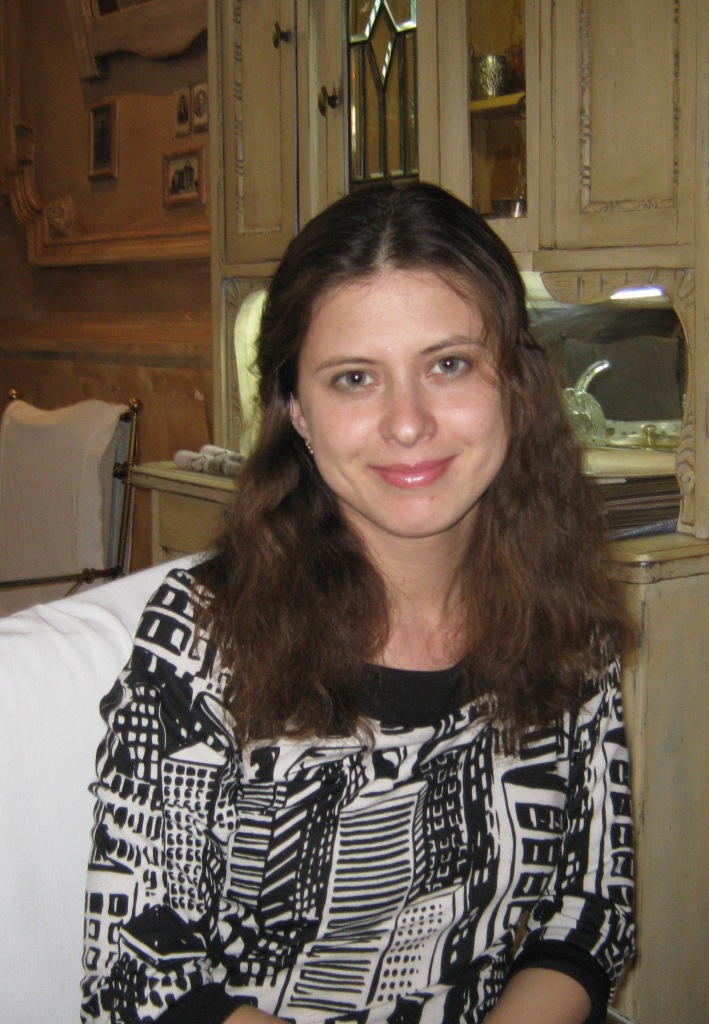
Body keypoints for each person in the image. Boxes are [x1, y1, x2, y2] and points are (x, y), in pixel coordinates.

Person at [81, 182, 636, 1024]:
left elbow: (591, 911)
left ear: (516, 385)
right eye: (353, 379)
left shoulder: (567, 611)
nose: (408, 423)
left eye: (448, 365)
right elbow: (139, 979)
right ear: (297, 411)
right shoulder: (202, 635)